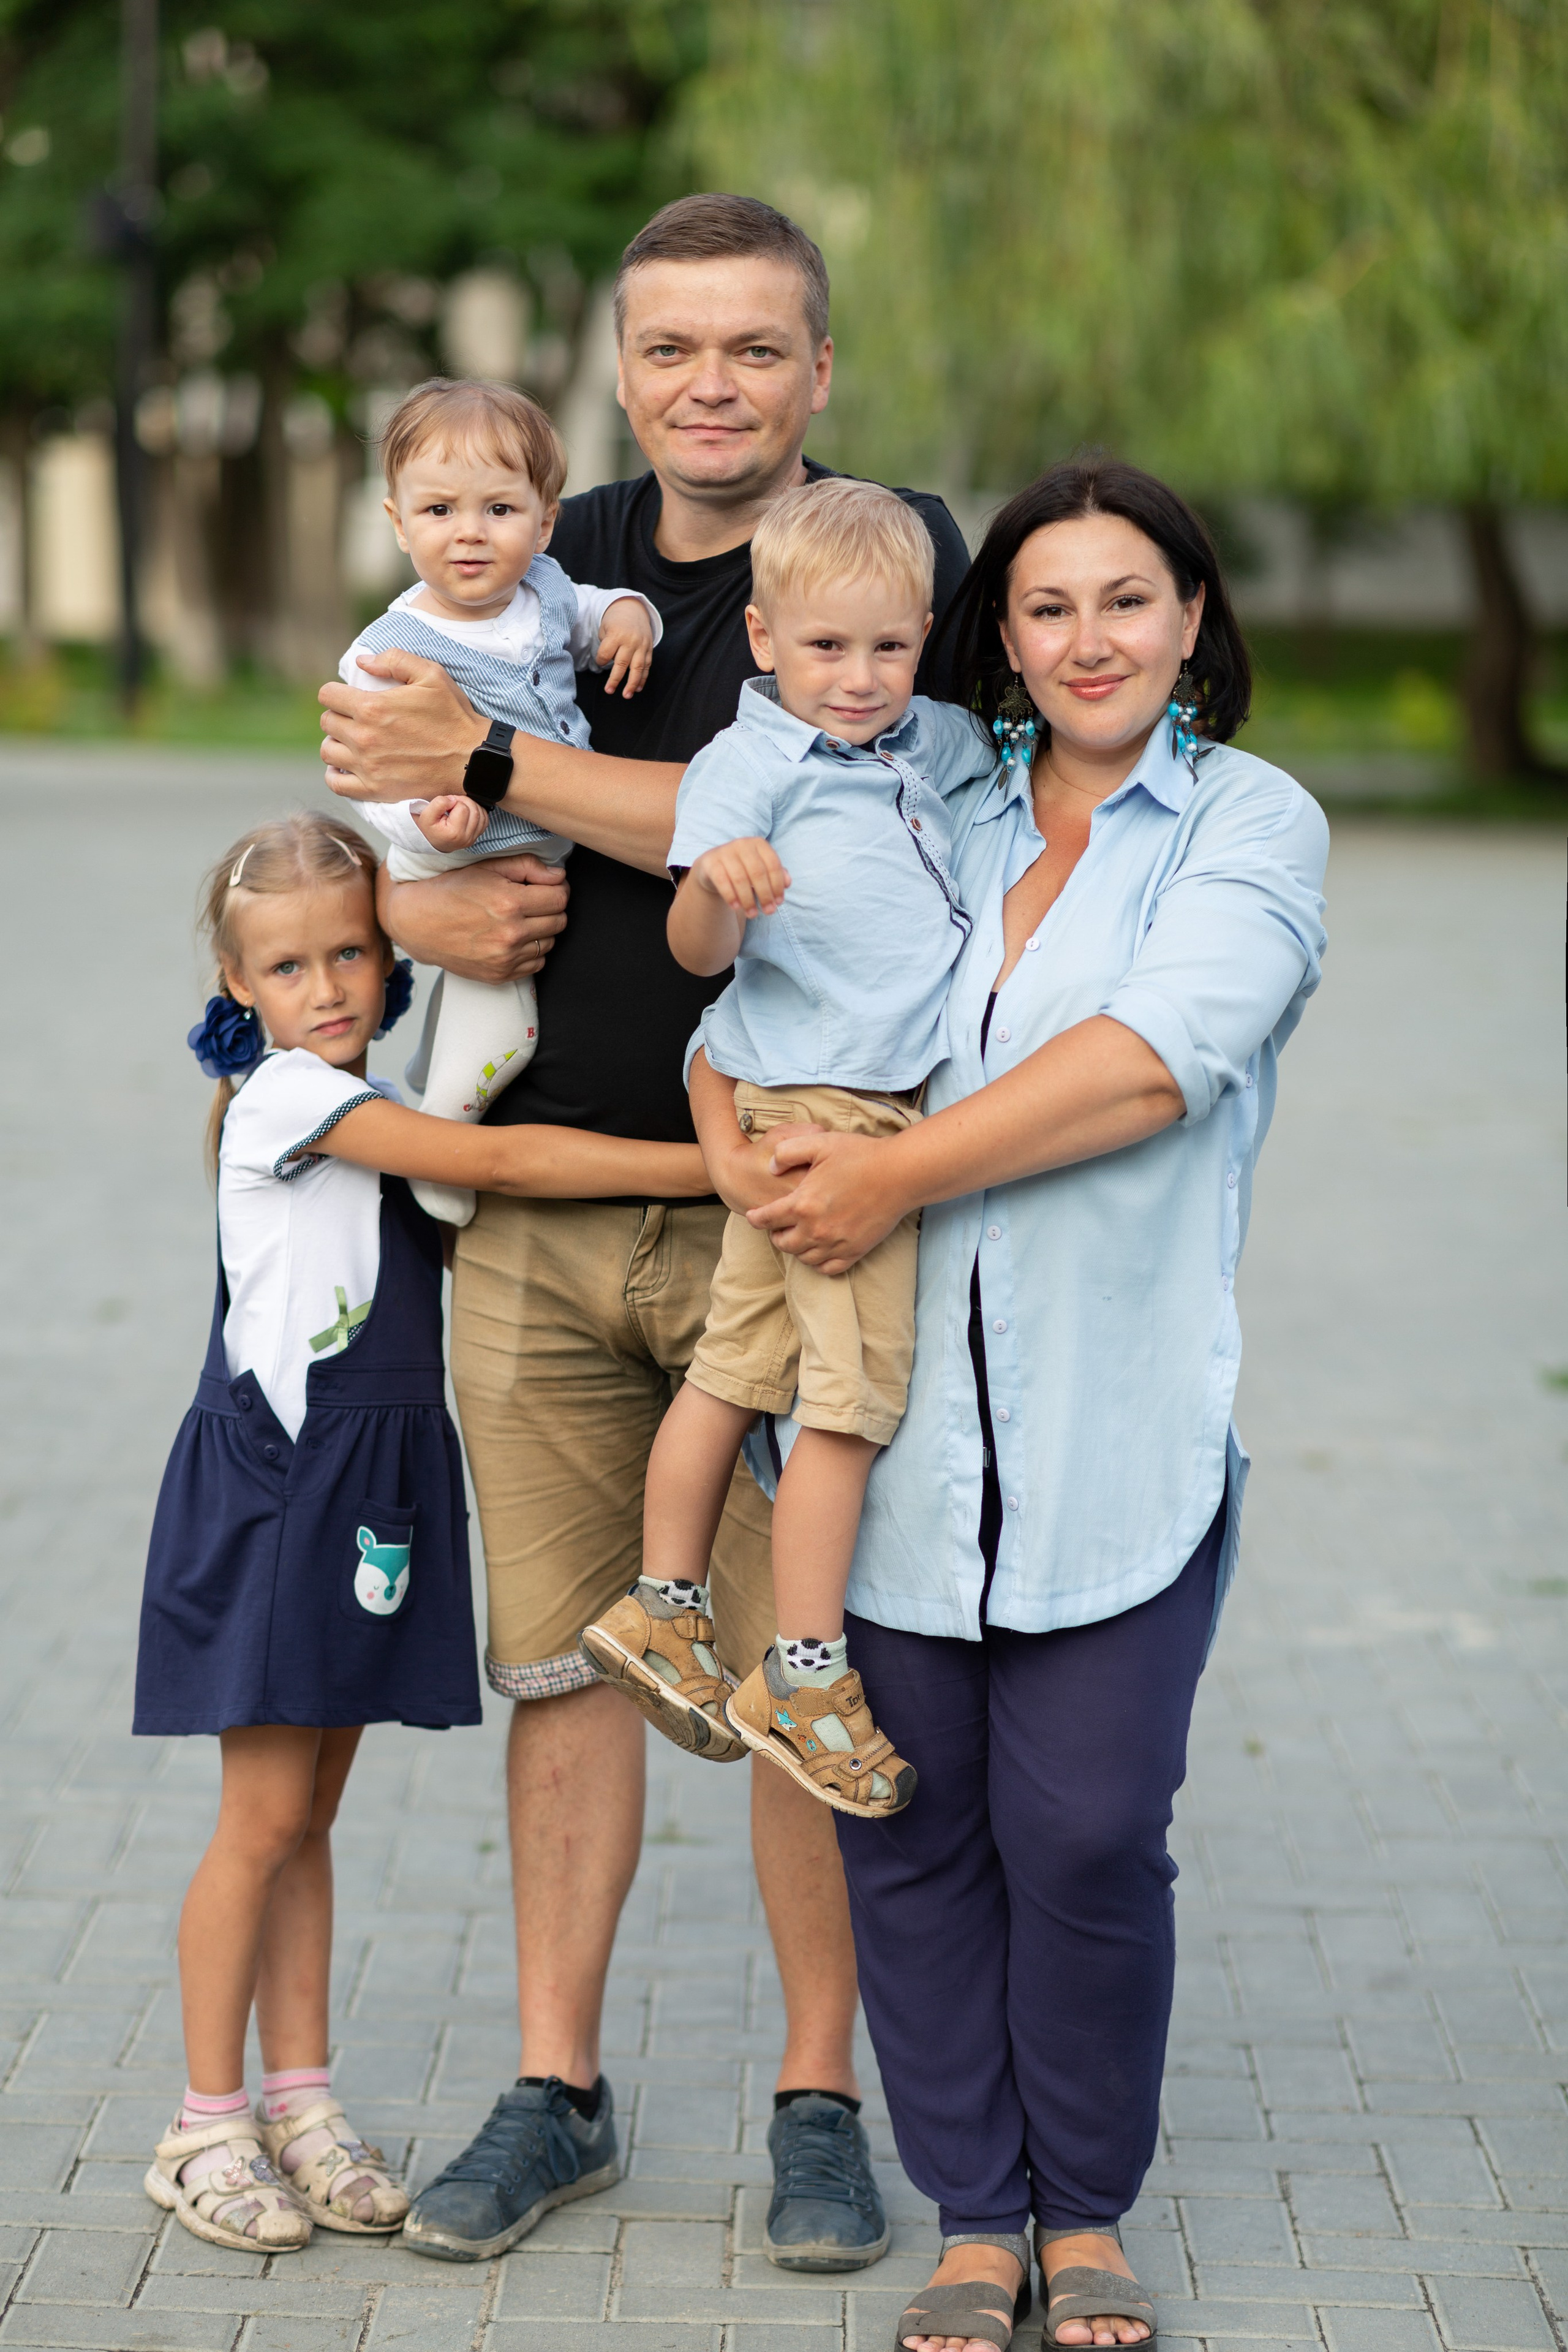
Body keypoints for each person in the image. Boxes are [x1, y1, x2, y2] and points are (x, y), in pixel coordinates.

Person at [317, 193, 970, 2269]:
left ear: (820, 374)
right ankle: (557, 2089)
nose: (714, 386)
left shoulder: (874, 565)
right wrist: (402, 904)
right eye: (675, 349)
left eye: (757, 349)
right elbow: (352, 798)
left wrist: (505, 761)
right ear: (621, 367)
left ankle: (813, 2106)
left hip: (782, 1207)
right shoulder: (533, 535)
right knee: (573, 1668)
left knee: (799, 1663)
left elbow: (727, 805)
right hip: (538, 1211)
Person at [689, 458, 1329, 2350]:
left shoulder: (1245, 824)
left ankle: (1091, 2208)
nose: (1087, 640)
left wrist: (892, 1173)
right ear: (1007, 641)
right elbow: (757, 929)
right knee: (913, 1830)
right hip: (884, 1431)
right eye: (1046, 610)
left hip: (1117, 1433)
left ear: (1192, 617)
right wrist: (740, 1130)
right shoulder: (939, 800)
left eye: (1125, 601)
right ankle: (980, 2216)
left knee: (1091, 1832)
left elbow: (1152, 1067)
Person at [135, 812, 708, 2256]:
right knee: (258, 1822)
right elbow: (495, 1167)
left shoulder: (365, 1087)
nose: (325, 986)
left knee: (312, 1821)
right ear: (236, 978)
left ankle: (303, 2103)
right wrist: (704, 1172)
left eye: (349, 951)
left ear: (389, 953)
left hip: (365, 1497)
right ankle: (203, 2125)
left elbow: (448, 1203)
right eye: (287, 964)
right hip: (279, 1494)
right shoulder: (282, 1102)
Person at [581, 477, 993, 1821]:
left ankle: (662, 1608)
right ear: (763, 640)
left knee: (737, 1364)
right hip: (835, 1114)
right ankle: (804, 1674)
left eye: (887, 645)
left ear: (923, 634)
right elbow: (691, 951)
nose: (859, 677)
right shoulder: (744, 767)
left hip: (803, 1105)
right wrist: (715, 888)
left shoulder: (931, 742)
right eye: (825, 648)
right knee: (846, 1405)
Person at [339, 376, 661, 1227]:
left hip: (537, 837)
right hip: (458, 848)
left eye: (500, 511)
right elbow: (368, 777)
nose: (469, 534)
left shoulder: (548, 592)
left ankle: (425, 1079)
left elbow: (599, 615)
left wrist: (632, 618)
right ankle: (442, 1140)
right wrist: (422, 822)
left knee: (479, 996)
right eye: (439, 511)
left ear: (545, 521)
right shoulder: (390, 649)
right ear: (399, 522)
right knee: (506, 1022)